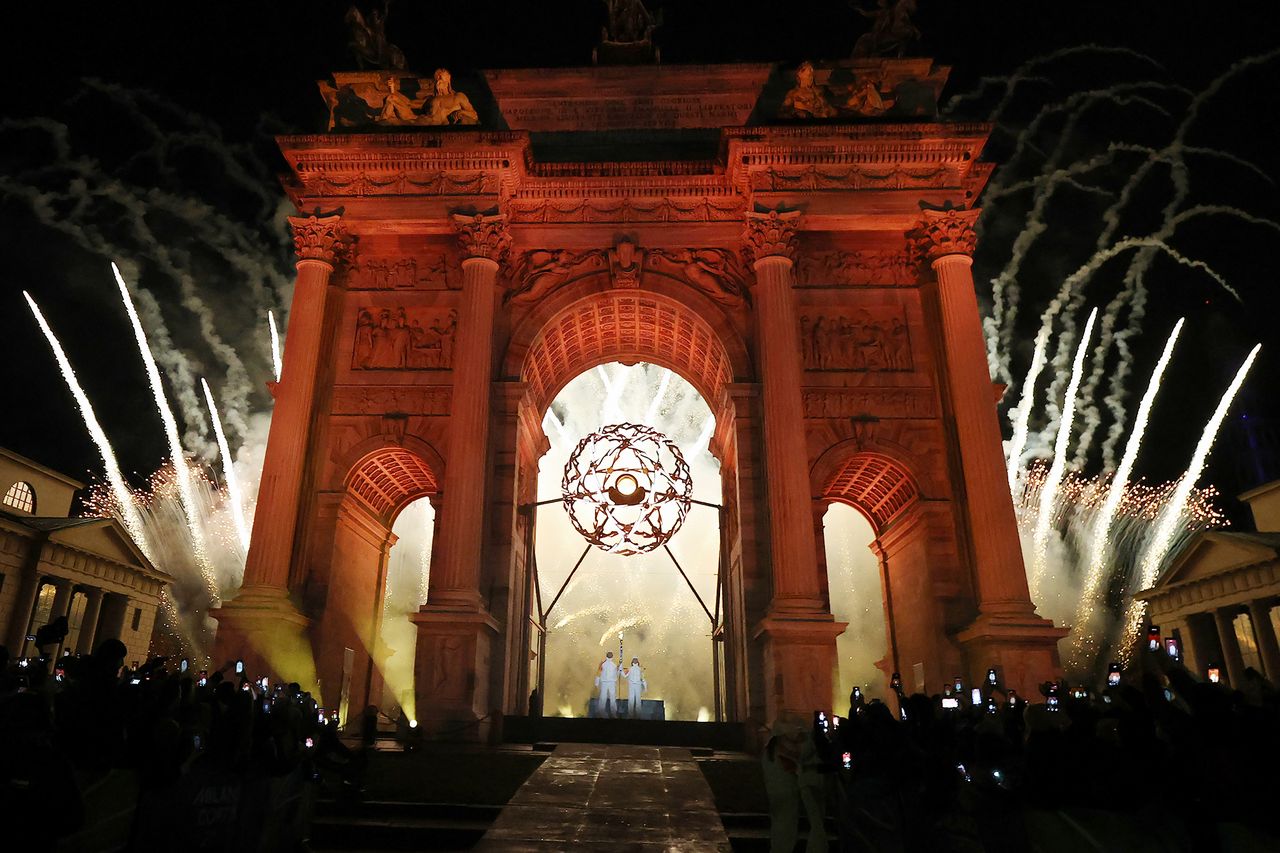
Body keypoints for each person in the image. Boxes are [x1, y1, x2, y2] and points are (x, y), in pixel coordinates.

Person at [596, 651, 619, 718]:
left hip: (611, 683)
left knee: (612, 698)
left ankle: (613, 713)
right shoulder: (602, 664)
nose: (610, 655)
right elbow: (598, 673)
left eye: (610, 654)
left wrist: (618, 669)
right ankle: (601, 713)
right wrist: (597, 682)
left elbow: (616, 674)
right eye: (609, 654)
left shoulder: (614, 665)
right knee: (603, 697)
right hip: (604, 683)